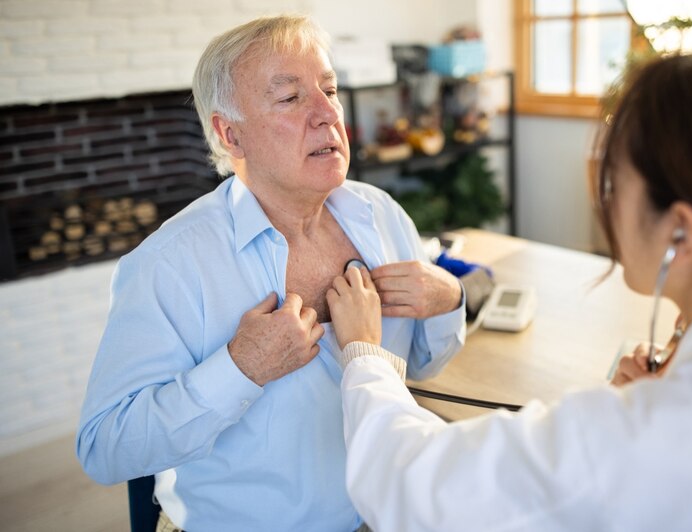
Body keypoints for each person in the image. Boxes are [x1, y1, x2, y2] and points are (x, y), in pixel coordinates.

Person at [326, 47, 692, 531]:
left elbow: (412, 485)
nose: (605, 207)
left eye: (614, 185)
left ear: (680, 233)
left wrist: (365, 355)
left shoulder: (652, 436)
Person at [76, 15, 465, 531]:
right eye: (290, 98)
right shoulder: (169, 265)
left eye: (329, 88)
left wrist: (451, 299)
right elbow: (104, 448)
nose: (328, 113)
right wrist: (240, 368)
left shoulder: (382, 214)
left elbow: (423, 365)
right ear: (229, 133)